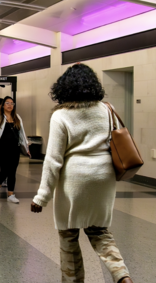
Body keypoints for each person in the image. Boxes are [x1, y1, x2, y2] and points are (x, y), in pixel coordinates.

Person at [31, 64, 133, 283]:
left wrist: (42, 197)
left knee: (68, 237)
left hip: (74, 180)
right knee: (100, 232)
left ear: (63, 88)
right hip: (103, 177)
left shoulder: (61, 116)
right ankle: (122, 276)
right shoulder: (106, 109)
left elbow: (53, 160)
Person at [0, 96, 29, 204]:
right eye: (7, 103)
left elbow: (22, 134)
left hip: (15, 148)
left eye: (12, 103)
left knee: (13, 171)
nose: (10, 105)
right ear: (3, 106)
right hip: (2, 148)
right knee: (5, 170)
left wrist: (26, 147)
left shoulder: (17, 117)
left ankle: (11, 194)